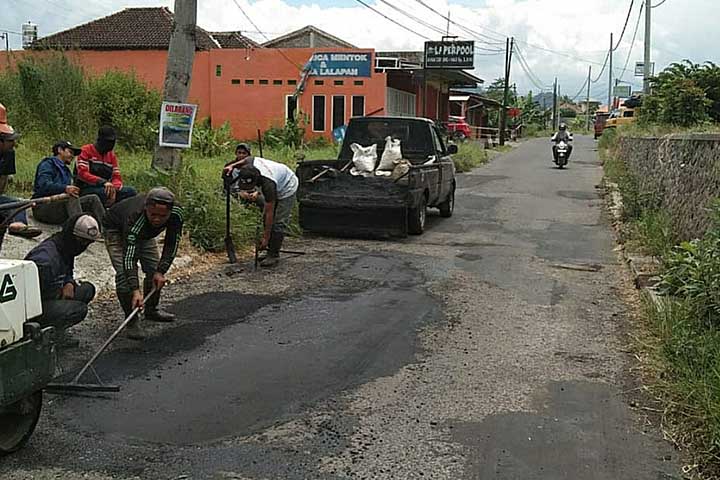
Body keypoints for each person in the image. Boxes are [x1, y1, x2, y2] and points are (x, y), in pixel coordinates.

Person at [103, 187, 183, 340]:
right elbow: (129, 257)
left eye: (162, 216)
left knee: (153, 271)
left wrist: (161, 271)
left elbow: (172, 243)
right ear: (146, 208)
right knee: (123, 276)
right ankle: (131, 320)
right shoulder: (135, 217)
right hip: (116, 229)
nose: (157, 220)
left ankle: (151, 310)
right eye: (153, 215)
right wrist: (135, 290)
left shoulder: (176, 213)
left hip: (144, 233)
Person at [24, 214, 100, 342]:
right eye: (82, 242)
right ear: (73, 236)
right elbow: (31, 295)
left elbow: (67, 269)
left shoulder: (66, 246)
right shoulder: (45, 260)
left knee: (87, 289)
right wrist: (59, 294)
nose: (84, 246)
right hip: (34, 307)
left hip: (55, 291)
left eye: (89, 243)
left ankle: (57, 329)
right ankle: (48, 337)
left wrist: (68, 282)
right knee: (78, 309)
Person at [223, 143, 298, 267]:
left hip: (288, 186)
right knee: (267, 219)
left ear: (257, 180)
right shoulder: (250, 163)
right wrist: (232, 166)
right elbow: (246, 160)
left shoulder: (269, 185)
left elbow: (269, 212)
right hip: (277, 176)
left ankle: (274, 254)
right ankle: (269, 250)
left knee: (278, 221)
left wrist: (265, 238)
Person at [32, 141, 106, 225]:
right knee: (71, 197)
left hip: (61, 204)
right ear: (60, 150)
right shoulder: (48, 164)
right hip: (43, 206)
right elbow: (43, 185)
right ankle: (78, 229)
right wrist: (65, 188)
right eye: (70, 152)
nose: (72, 156)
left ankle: (106, 230)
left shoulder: (67, 171)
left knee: (92, 199)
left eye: (74, 154)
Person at [0, 103, 42, 238]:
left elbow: (1, 188)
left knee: (19, 203)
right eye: (9, 140)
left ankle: (18, 225)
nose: (13, 143)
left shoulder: (7, 154)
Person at [77, 126, 136, 207]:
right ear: (100, 140)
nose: (111, 145)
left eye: (113, 142)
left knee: (130, 192)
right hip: (87, 188)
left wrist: (114, 189)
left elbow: (116, 177)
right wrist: (103, 182)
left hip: (108, 189)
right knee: (103, 194)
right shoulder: (86, 150)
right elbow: (82, 174)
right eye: (108, 141)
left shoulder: (111, 156)